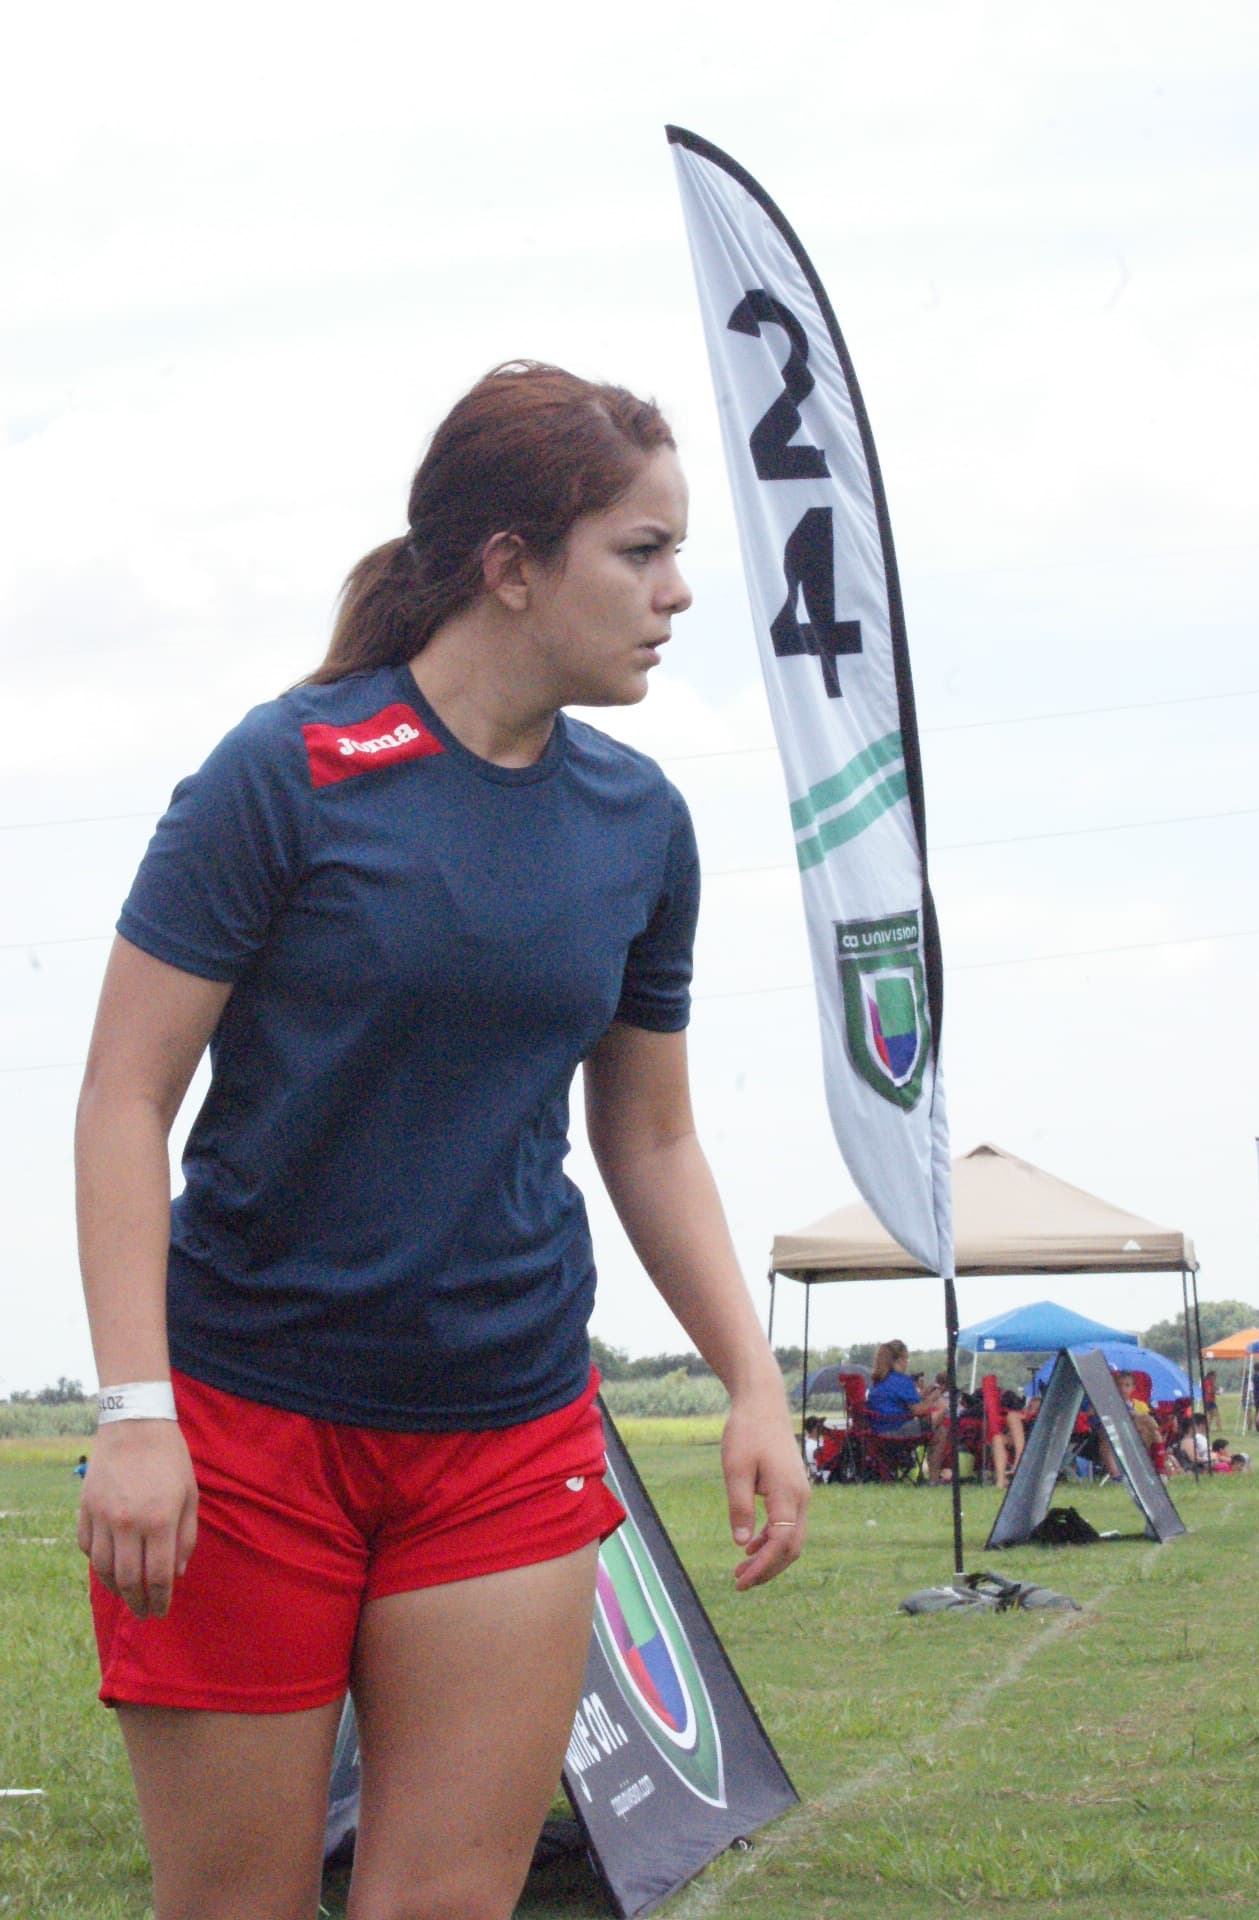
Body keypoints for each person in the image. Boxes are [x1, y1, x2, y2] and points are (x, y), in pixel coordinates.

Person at [74, 362, 809, 1920]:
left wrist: (753, 1379)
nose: (677, 595)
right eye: (642, 551)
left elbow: (654, 1139)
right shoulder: (283, 776)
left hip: (504, 1429)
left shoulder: (639, 824)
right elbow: (122, 1099)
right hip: (244, 1431)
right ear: (512, 565)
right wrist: (137, 1411)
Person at [866, 1340, 948, 1483]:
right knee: (940, 1415)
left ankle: (933, 1480)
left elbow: (897, 1402)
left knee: (939, 1432)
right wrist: (934, 1397)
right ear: (898, 1360)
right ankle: (933, 1480)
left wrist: (923, 1395)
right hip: (897, 1431)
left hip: (877, 1434)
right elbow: (917, 1410)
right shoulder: (902, 1380)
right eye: (906, 1358)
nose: (907, 1363)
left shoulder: (879, 1380)